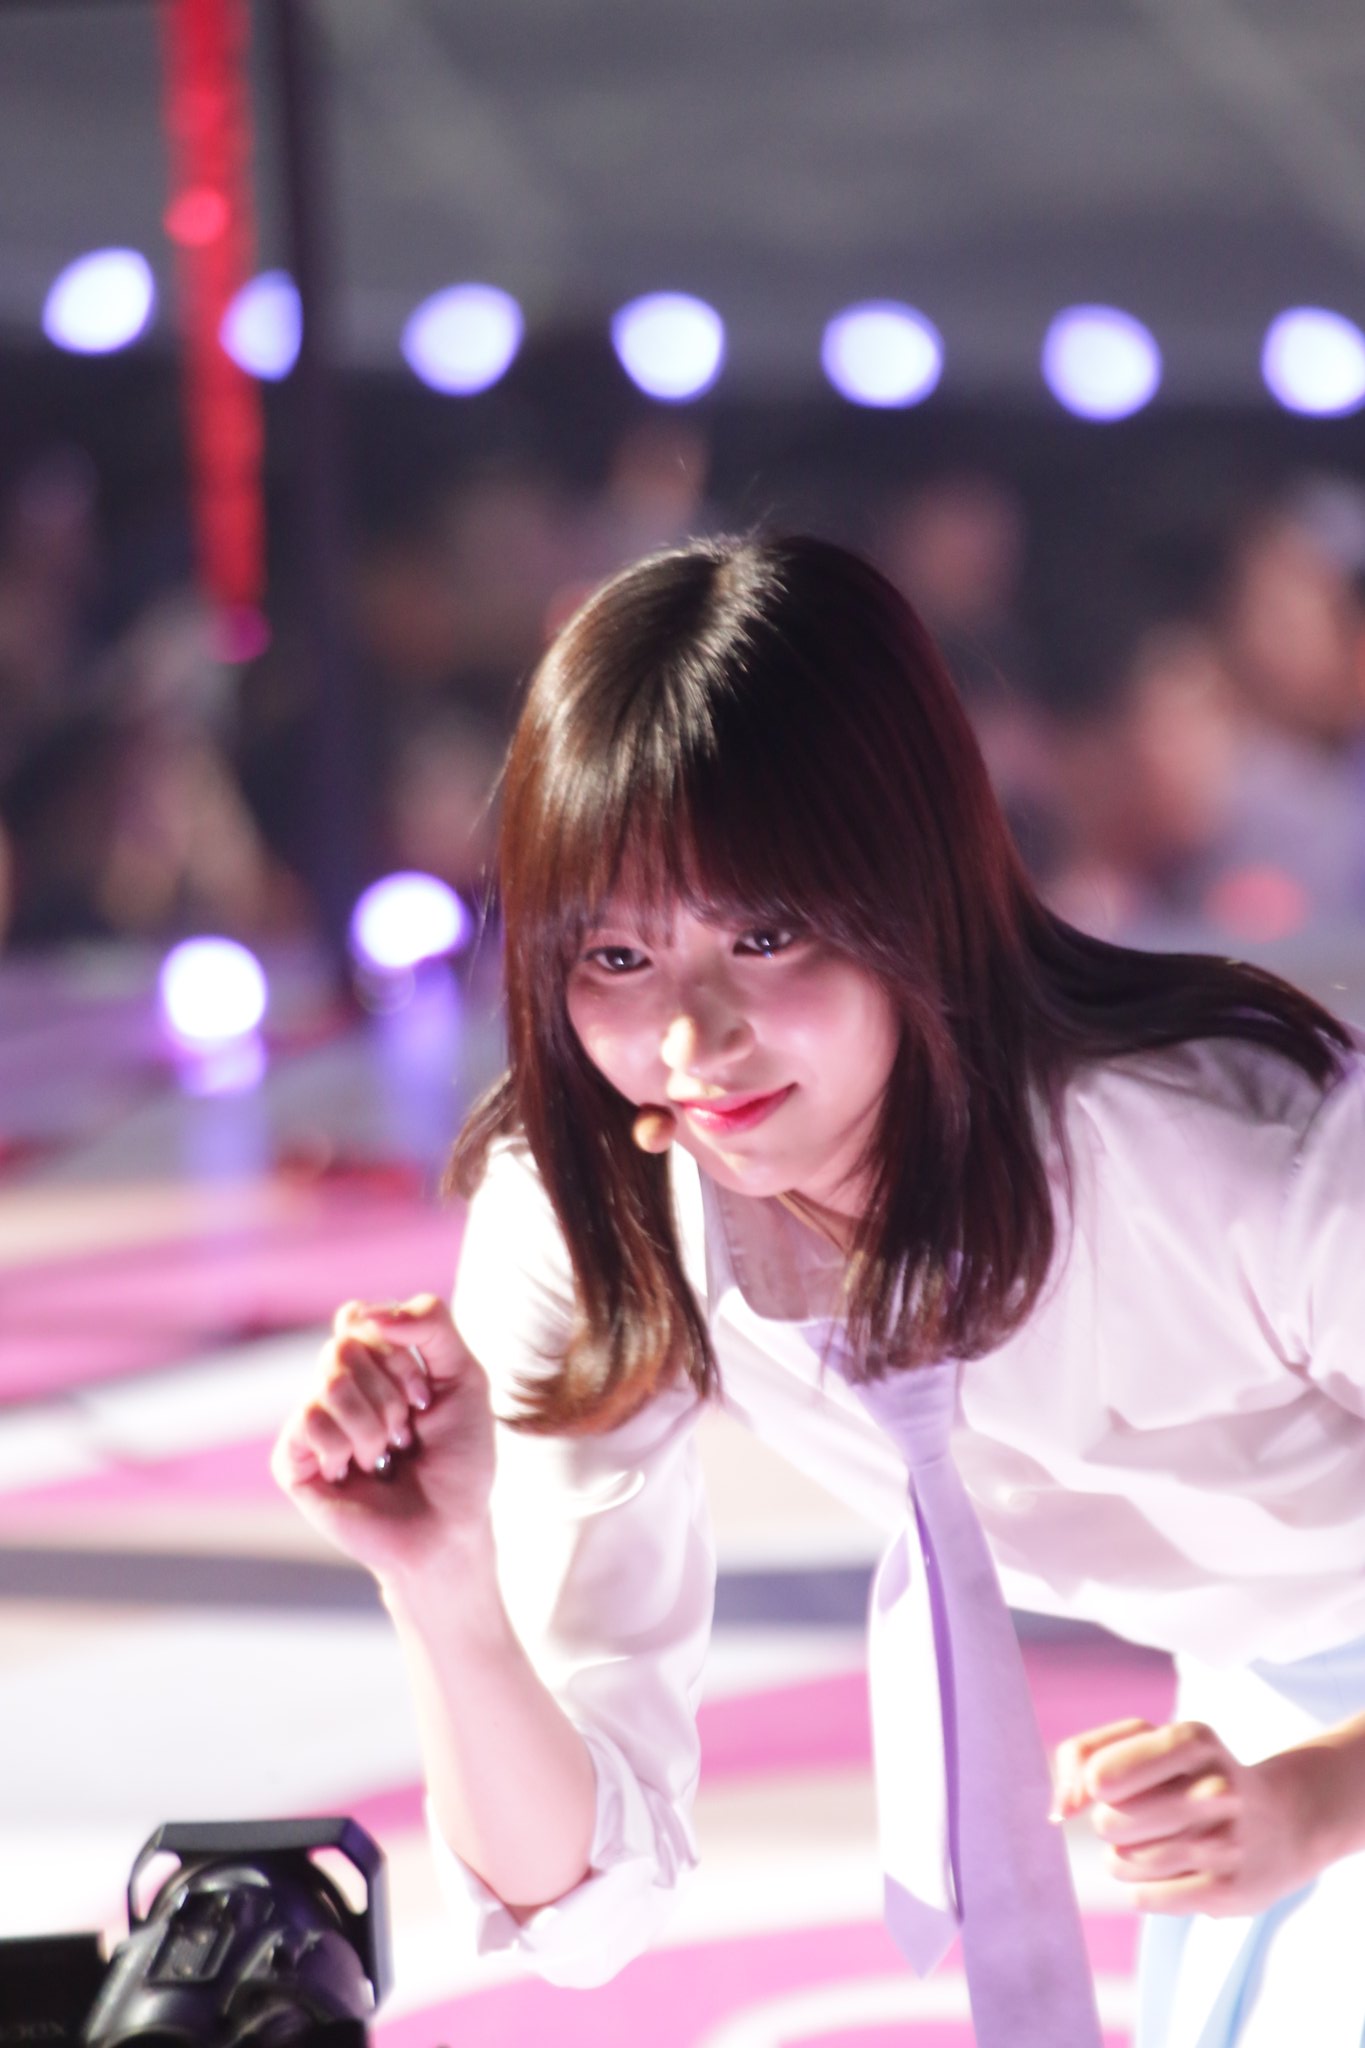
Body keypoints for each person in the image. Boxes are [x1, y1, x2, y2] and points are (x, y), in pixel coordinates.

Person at [273, 534, 1365, 2048]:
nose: (692, 1042)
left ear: (913, 883)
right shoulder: (591, 1220)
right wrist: (443, 1581)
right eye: (617, 955)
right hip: (1262, 1733)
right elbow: (584, 1901)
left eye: (766, 933)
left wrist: (1324, 1796)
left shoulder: (1244, 1160)